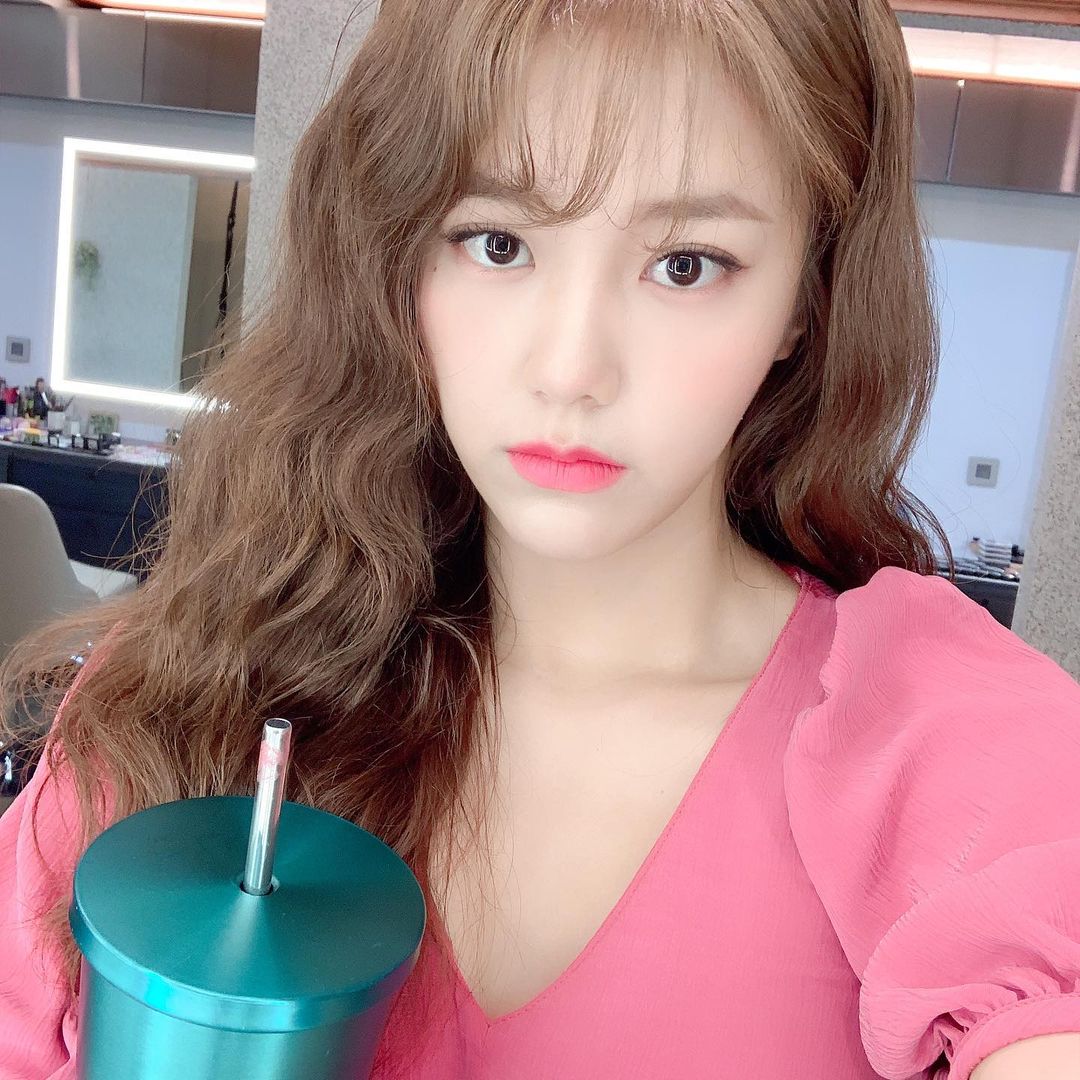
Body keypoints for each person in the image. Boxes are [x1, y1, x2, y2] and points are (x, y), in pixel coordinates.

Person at [1, 1, 1079, 1077]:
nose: (571, 371)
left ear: (808, 296)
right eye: (499, 243)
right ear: (400, 259)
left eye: (688, 264)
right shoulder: (182, 702)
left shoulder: (931, 733)